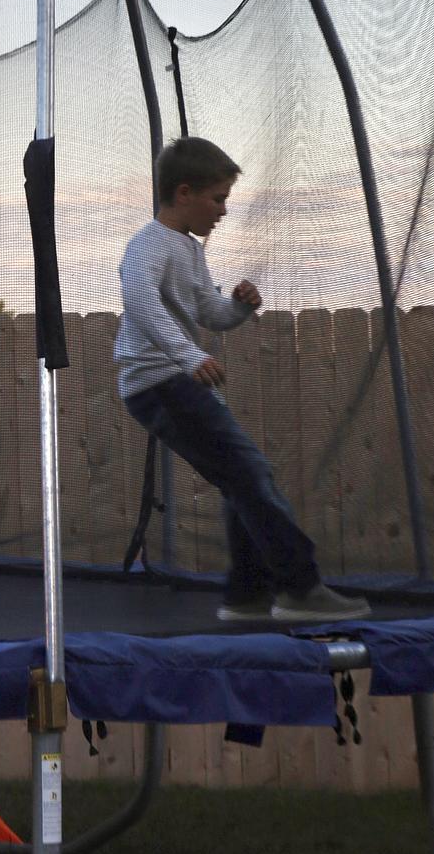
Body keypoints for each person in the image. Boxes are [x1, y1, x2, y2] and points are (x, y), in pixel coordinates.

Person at [114, 135, 369, 623]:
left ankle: (246, 595)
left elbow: (207, 311)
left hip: (175, 381)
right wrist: (189, 355)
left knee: (241, 478)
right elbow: (139, 300)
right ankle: (299, 589)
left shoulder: (188, 250)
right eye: (218, 199)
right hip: (159, 384)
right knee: (249, 472)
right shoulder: (148, 244)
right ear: (184, 193)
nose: (223, 211)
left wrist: (238, 307)